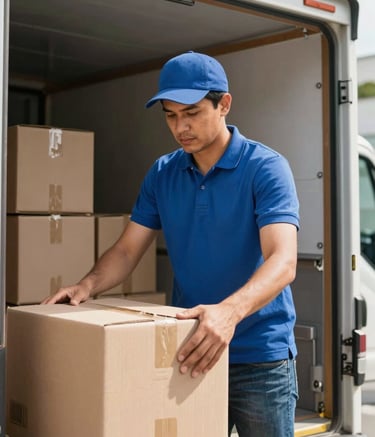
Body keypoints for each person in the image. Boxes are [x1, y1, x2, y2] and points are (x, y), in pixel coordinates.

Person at [42, 51, 299, 437]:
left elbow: (283, 260)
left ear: (224, 104)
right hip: (191, 350)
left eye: (192, 112)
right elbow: (128, 249)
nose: (181, 126)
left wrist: (227, 314)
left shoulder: (264, 168)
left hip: (260, 360)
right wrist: (86, 286)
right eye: (171, 115)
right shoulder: (163, 173)